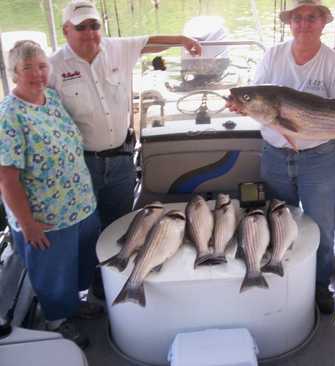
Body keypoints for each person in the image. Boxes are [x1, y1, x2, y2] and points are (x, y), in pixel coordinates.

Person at [49, 0, 201, 299]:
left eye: (94, 25)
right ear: (66, 30)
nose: (90, 32)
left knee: (120, 224)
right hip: (80, 164)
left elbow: (150, 42)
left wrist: (182, 40)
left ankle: (118, 277)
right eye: (81, 27)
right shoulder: (53, 66)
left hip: (121, 159)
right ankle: (92, 283)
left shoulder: (116, 47)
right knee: (86, 229)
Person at [228, 0, 335, 314]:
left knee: (323, 229)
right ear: (290, 23)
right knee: (277, 222)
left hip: (319, 158)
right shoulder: (273, 56)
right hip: (274, 156)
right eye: (297, 18)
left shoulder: (334, 63)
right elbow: (255, 100)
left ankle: (319, 286)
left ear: (323, 22)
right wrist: (241, 104)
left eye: (311, 17)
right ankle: (281, 278)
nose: (304, 23)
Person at [0, 40, 102, 348]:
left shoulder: (52, 98)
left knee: (83, 262)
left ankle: (78, 302)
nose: (37, 73)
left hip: (80, 205)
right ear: (14, 72)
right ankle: (57, 318)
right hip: (46, 217)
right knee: (53, 273)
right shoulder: (9, 114)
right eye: (27, 68)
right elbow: (6, 178)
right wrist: (28, 224)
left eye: (42, 66)